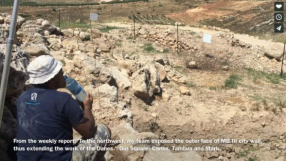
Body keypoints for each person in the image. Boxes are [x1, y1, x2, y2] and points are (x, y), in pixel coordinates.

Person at [16, 55, 111, 161]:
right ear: (52, 79)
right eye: (60, 72)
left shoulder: (23, 97)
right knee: (104, 131)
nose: (63, 74)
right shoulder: (63, 99)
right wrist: (87, 108)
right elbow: (88, 132)